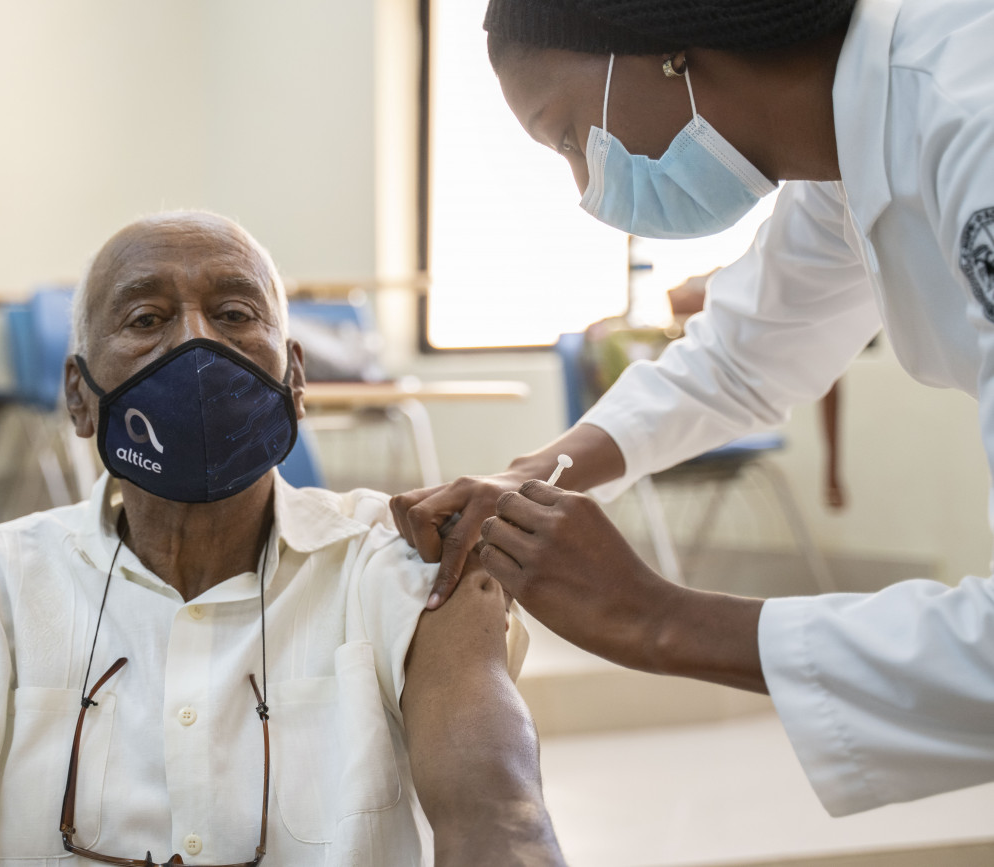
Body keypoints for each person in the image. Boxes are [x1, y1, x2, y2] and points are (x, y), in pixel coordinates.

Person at [0, 212, 563, 867]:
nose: (196, 343)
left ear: (295, 380)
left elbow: (499, 811)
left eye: (234, 313)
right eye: (146, 317)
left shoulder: (403, 570)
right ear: (79, 396)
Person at [391, 0, 994, 819]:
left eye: (569, 136)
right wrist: (532, 474)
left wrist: (656, 618)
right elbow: (740, 356)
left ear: (668, 47)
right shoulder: (847, 158)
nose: (586, 186)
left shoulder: (971, 116)